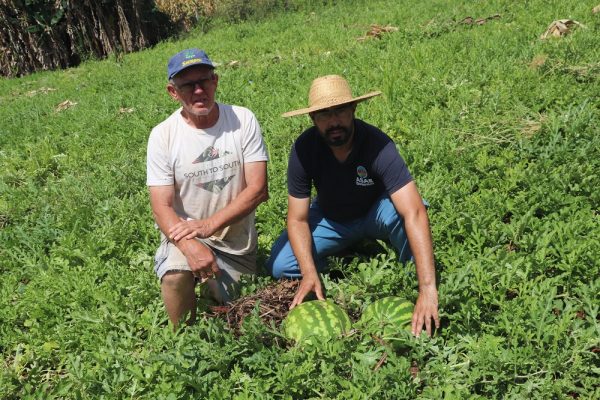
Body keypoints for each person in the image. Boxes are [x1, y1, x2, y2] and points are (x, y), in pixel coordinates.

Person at [267, 75, 439, 337]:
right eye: (324, 114)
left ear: (353, 110)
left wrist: (428, 288)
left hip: (375, 213)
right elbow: (297, 219)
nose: (334, 121)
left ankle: (409, 275)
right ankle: (343, 257)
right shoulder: (304, 149)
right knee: (281, 265)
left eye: (340, 111)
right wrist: (309, 272)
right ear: (313, 119)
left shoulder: (377, 144)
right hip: (332, 219)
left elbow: (413, 210)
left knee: (404, 215)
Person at [146, 48, 269, 327]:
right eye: (188, 85)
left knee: (241, 311)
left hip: (236, 246)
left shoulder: (242, 120)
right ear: (172, 92)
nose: (198, 90)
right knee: (176, 273)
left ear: (216, 81)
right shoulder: (163, 136)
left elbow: (258, 189)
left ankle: (216, 287)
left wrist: (209, 225)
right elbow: (161, 205)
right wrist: (190, 244)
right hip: (187, 235)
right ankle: (185, 340)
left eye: (204, 81)